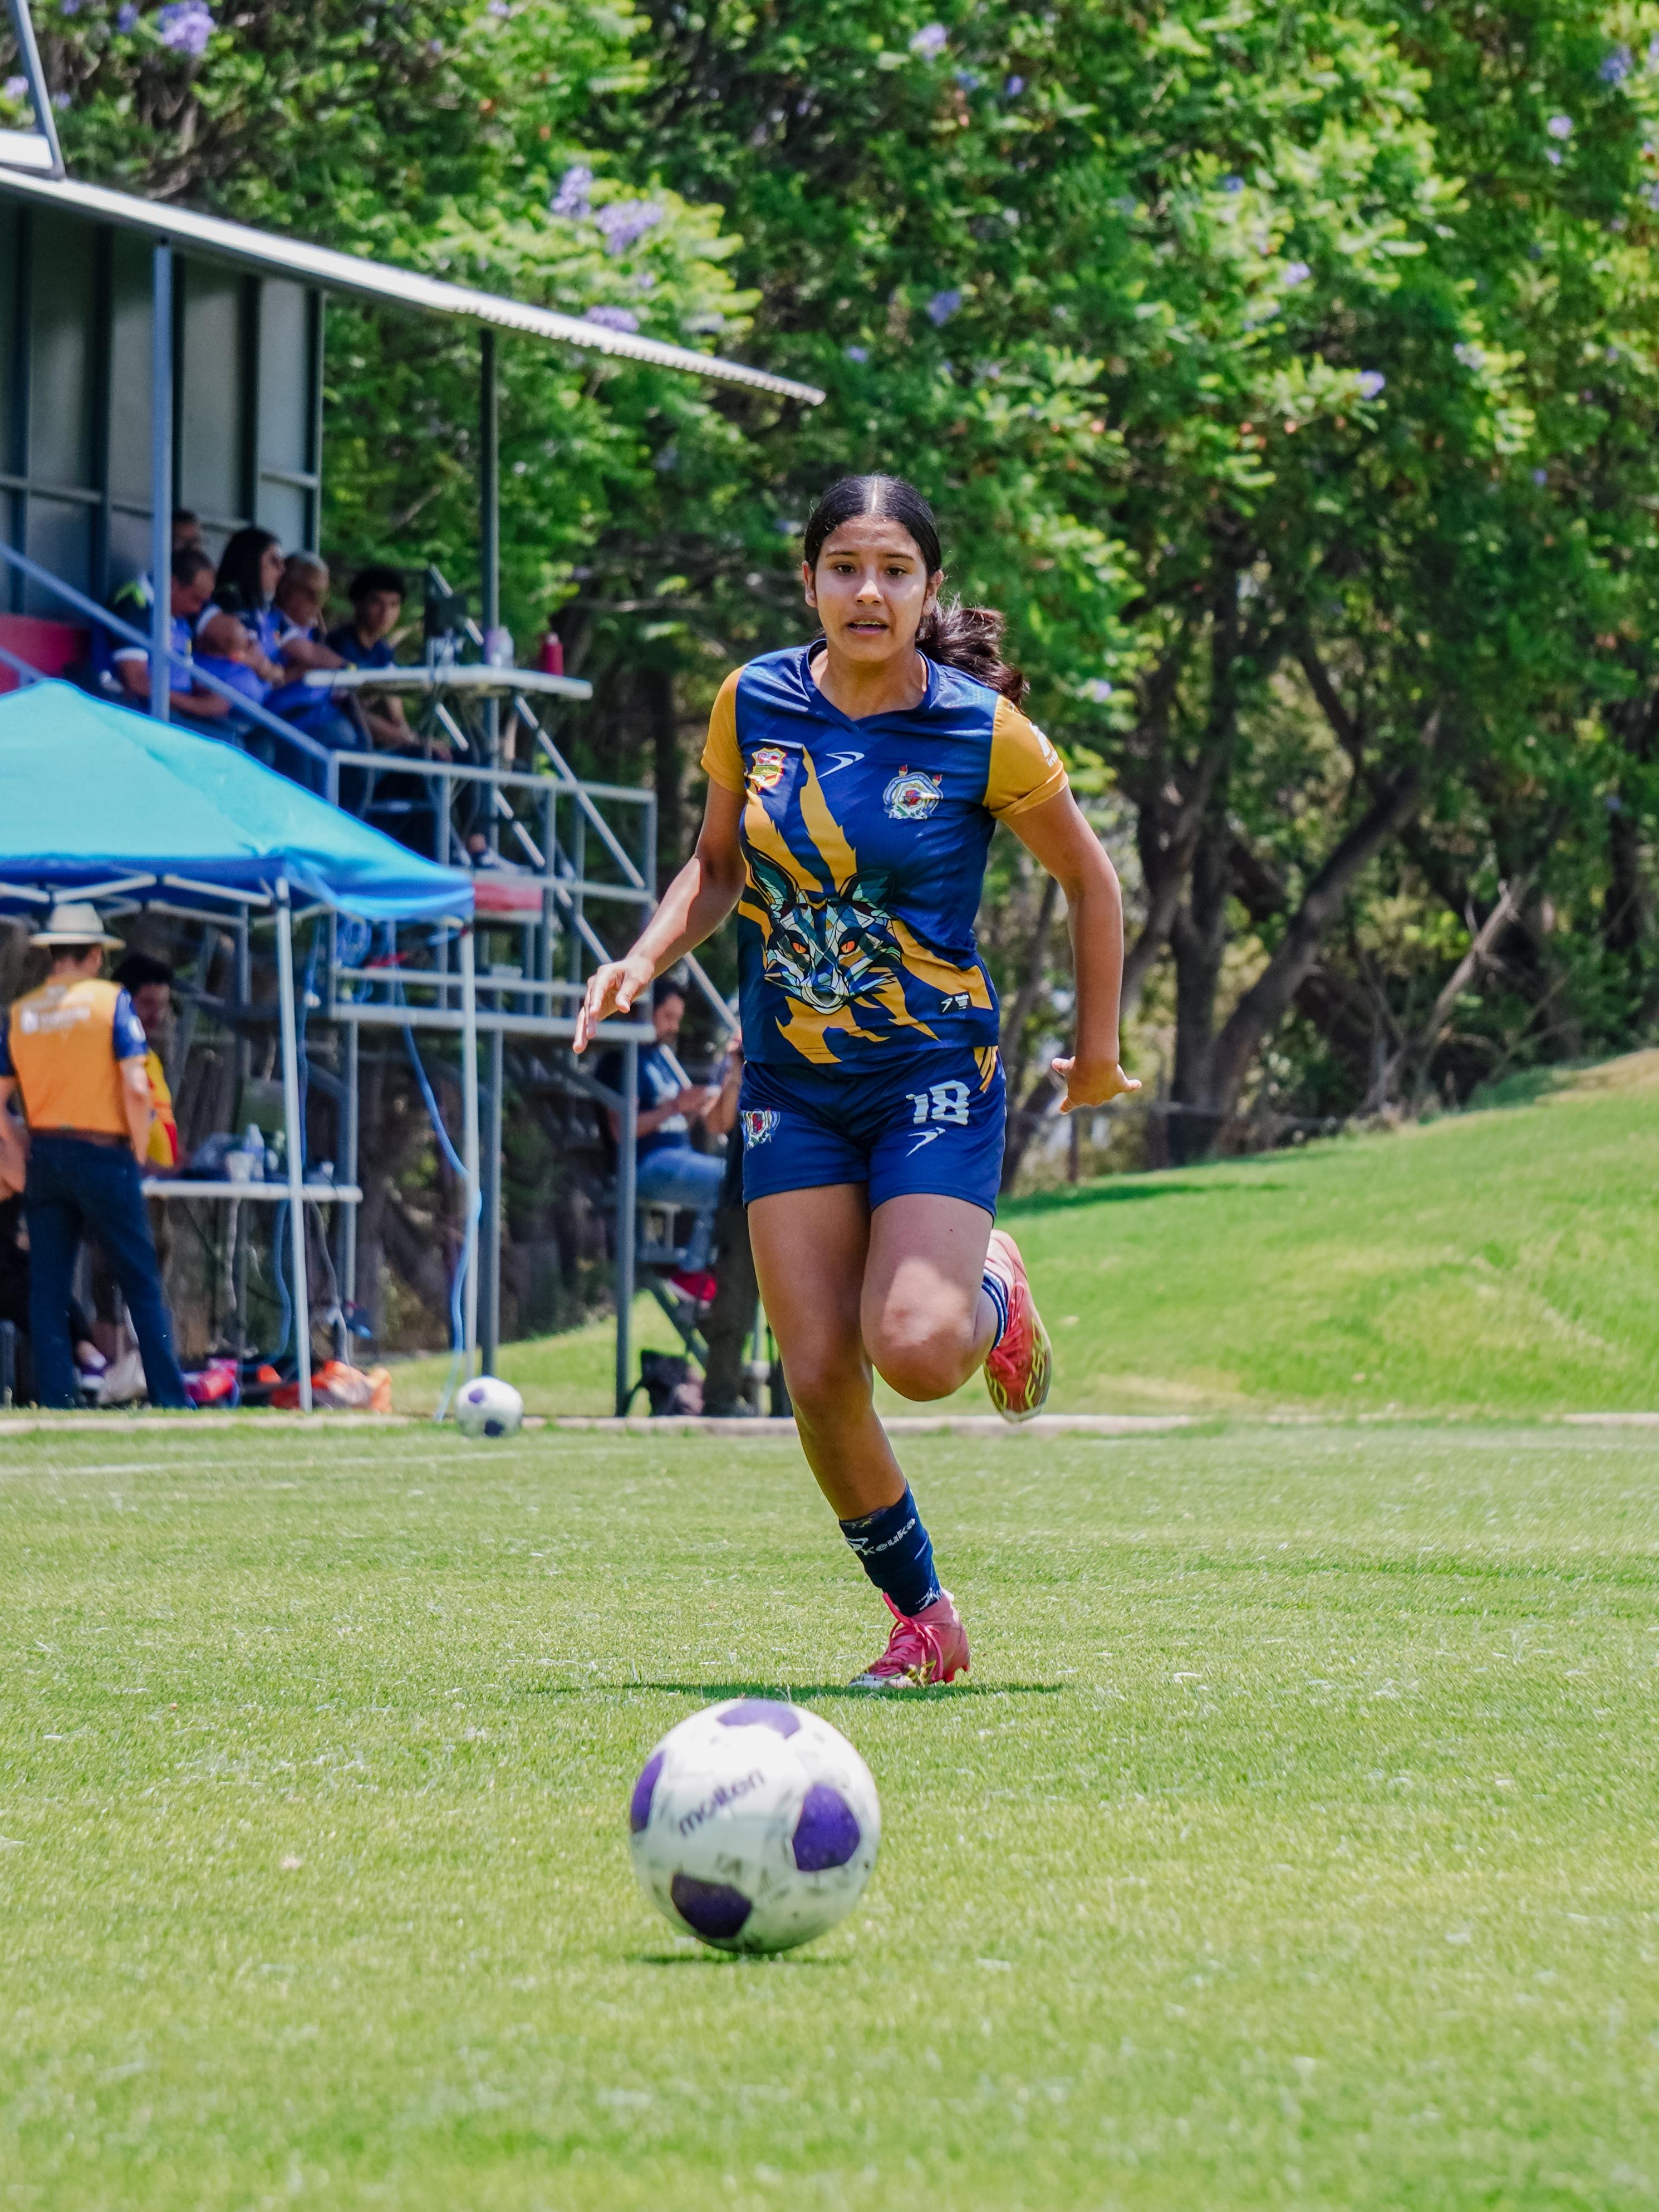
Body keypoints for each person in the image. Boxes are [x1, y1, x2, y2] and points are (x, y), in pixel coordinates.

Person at [576, 473, 1138, 1688]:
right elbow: (714, 867)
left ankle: (990, 1282)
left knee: (921, 1352)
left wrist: (1093, 1057)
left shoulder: (982, 733)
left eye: (892, 570)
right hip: (792, 1082)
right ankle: (922, 1616)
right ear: (809, 581)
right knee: (820, 1372)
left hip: (931, 1071)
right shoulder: (752, 703)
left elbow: (1093, 884)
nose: (866, 591)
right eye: (843, 567)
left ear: (927, 587)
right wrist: (641, 955)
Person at [0, 902, 190, 1411]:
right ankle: (172, 1398)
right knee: (140, 1281)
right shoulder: (112, 1004)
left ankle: (59, 1402)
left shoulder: (21, 1014)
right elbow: (133, 1082)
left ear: (52, 955)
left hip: (46, 1154)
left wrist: (23, 1147)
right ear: (94, 955)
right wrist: (133, 1140)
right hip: (105, 1153)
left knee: (47, 1286)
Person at [596, 976, 725, 1291]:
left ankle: (713, 1269)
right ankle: (693, 1271)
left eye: (678, 1020)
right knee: (730, 1181)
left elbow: (674, 1119)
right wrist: (674, 1108)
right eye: (668, 1017)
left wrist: (695, 1106)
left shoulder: (661, 1058)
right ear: (645, 1011)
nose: (674, 1028)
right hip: (645, 1164)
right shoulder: (622, 1060)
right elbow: (621, 1130)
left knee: (740, 1177)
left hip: (676, 1156)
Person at [107, 548, 234, 727]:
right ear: (172, 585)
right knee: (231, 742)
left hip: (178, 708)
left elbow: (185, 675)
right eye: (196, 599)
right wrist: (196, 705)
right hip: (149, 713)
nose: (198, 610)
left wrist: (211, 697)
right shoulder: (136, 607)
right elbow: (136, 681)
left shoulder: (179, 616)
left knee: (249, 739)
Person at [195, 526, 286, 709]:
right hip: (215, 706)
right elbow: (253, 658)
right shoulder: (228, 598)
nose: (282, 570)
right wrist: (269, 670)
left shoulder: (257, 604)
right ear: (251, 561)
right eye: (274, 562)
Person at [111, 952, 179, 1171]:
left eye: (163, 1005)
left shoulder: (151, 1059)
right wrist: (155, 1170)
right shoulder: (110, 1058)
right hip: (129, 1184)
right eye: (148, 1004)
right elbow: (114, 1139)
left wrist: (188, 1163)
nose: (157, 1015)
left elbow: (162, 1123)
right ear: (121, 1003)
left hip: (159, 1188)